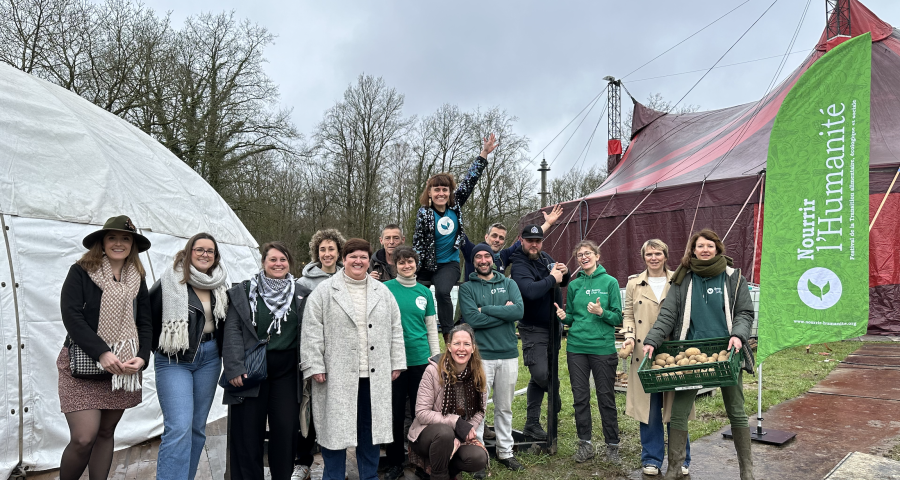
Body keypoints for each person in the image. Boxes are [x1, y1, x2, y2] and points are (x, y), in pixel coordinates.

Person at [643, 229, 754, 480]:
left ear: (718, 249)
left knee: (736, 409)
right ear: (692, 250)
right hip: (691, 356)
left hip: (727, 353)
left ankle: (747, 470)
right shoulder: (683, 280)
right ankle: (674, 468)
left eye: (710, 246)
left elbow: (744, 313)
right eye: (700, 246)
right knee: (679, 411)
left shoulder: (733, 278)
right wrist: (652, 341)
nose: (705, 250)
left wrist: (738, 334)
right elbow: (668, 315)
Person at [300, 238, 406, 480]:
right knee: (335, 430)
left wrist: (397, 361)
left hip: (373, 375)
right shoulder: (324, 292)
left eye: (363, 257)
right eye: (352, 256)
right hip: (335, 375)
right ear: (344, 259)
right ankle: (333, 476)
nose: (358, 261)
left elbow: (395, 329)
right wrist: (315, 364)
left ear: (369, 261)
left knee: (369, 431)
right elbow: (311, 332)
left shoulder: (384, 292)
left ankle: (369, 476)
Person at [57, 215, 152, 480]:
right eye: (112, 237)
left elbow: (145, 322)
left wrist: (142, 357)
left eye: (125, 238)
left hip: (122, 367)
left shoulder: (137, 278)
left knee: (106, 432)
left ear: (132, 244)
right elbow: (72, 316)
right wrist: (102, 352)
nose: (118, 243)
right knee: (83, 438)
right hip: (82, 363)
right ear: (102, 242)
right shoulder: (81, 271)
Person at [223, 242, 308, 480]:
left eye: (283, 259)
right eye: (273, 260)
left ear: (289, 263)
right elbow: (232, 330)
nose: (278, 264)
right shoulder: (244, 291)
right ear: (263, 263)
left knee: (285, 430)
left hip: (287, 372)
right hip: (251, 369)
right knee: (248, 434)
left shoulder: (300, 293)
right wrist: (234, 368)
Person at [150, 233, 230, 480]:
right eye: (200, 250)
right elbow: (148, 319)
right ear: (189, 251)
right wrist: (159, 350)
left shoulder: (219, 283)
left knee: (197, 428)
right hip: (175, 360)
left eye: (210, 251)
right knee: (179, 427)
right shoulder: (170, 281)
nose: (205, 255)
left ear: (215, 256)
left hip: (209, 358)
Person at [413, 134, 497, 341]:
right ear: (430, 192)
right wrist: (415, 268)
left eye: (445, 190)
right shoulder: (424, 213)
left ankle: (448, 335)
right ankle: (418, 332)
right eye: (437, 190)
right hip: (425, 264)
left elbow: (470, 181)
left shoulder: (455, 205)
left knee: (443, 292)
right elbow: (418, 242)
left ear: (450, 192)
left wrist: (484, 154)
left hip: (448, 263)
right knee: (417, 296)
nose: (441, 193)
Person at [622, 239, 692, 477]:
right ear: (644, 257)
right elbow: (628, 315)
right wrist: (629, 338)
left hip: (674, 353)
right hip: (644, 353)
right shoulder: (634, 284)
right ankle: (651, 458)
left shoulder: (679, 280)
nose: (653, 257)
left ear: (665, 255)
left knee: (676, 408)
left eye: (658, 253)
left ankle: (680, 458)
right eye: (649, 254)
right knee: (649, 408)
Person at [458, 244, 525, 474]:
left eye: (487, 255)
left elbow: (518, 312)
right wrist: (502, 313)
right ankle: (479, 455)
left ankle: (505, 451)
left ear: (493, 259)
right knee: (477, 408)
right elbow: (472, 320)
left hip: (508, 354)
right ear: (473, 261)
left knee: (504, 407)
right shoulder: (466, 288)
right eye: (478, 256)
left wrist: (485, 309)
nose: (483, 260)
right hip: (481, 357)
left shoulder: (509, 283)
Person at [555, 240, 622, 464]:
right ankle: (585, 444)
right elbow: (573, 316)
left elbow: (618, 317)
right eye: (580, 255)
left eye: (587, 253)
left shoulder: (610, 282)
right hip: (576, 348)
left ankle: (612, 445)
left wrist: (602, 312)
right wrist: (566, 318)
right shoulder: (574, 285)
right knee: (580, 398)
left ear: (597, 256)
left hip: (602, 348)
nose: (583, 257)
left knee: (606, 397)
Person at [382, 246, 441, 480]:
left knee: (422, 414)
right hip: (394, 363)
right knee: (395, 414)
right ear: (395, 265)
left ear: (416, 264)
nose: (407, 266)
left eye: (411, 262)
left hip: (421, 362)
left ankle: (420, 461)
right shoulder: (385, 290)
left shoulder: (425, 293)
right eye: (402, 262)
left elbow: (431, 329)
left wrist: (435, 361)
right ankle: (395, 462)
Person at [508, 224, 570, 441]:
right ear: (521, 240)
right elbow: (530, 291)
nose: (534, 244)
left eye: (538, 240)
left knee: (540, 375)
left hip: (554, 326)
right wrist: (553, 278)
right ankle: (554, 394)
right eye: (530, 240)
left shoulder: (545, 258)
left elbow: (560, 281)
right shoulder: (519, 264)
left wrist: (564, 272)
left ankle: (532, 424)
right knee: (542, 374)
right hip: (533, 327)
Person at [293, 229, 345, 480]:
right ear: (317, 253)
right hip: (313, 353)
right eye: (322, 249)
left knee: (336, 413)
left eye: (331, 249)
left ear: (338, 252)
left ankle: (334, 467)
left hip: (341, 356)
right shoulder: (303, 284)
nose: (327, 254)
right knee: (308, 409)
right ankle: (303, 462)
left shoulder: (350, 278)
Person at [407, 324, 490, 480]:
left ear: (472, 348)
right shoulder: (433, 371)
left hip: (457, 435)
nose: (461, 348)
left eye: (466, 344)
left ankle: (441, 470)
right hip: (427, 435)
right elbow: (421, 413)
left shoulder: (478, 374)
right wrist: (455, 421)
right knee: (445, 433)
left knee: (478, 458)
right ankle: (439, 475)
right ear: (449, 346)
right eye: (457, 343)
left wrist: (465, 431)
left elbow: (480, 410)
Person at [460, 204, 563, 279]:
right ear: (486, 237)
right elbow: (459, 234)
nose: (497, 240)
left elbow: (527, 242)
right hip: (474, 304)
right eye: (494, 236)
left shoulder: (503, 256)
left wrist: (548, 223)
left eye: (501, 238)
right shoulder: (473, 251)